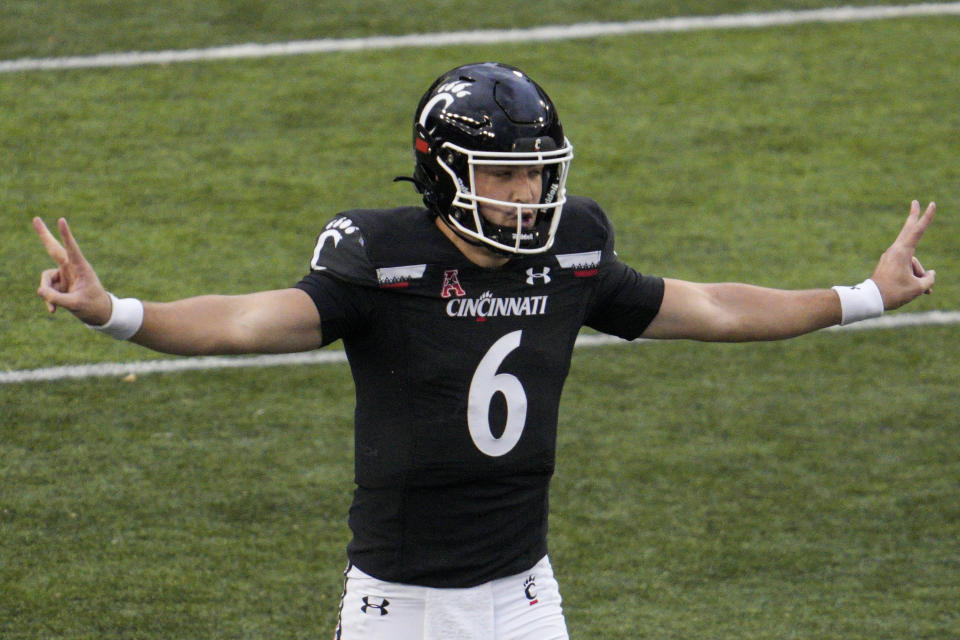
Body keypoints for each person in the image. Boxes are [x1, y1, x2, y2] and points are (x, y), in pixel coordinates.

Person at [34, 62, 936, 640]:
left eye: (537, 170)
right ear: (444, 172)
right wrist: (118, 312)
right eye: (502, 172)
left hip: (527, 599)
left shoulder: (571, 249)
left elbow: (710, 307)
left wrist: (862, 296)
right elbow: (245, 322)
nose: (526, 192)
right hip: (401, 607)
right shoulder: (381, 255)